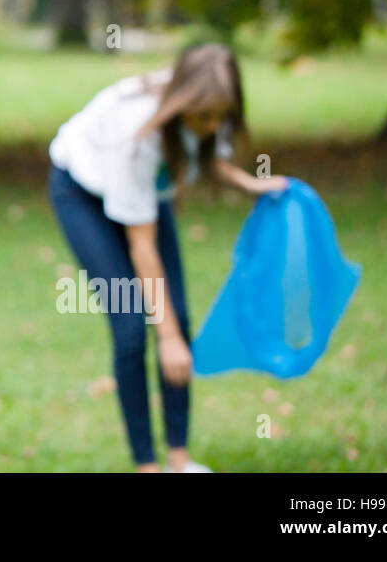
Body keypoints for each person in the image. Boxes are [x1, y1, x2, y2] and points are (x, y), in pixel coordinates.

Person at [46, 42, 288, 472]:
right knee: (133, 329)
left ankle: (179, 458)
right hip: (81, 193)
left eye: (220, 117)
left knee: (177, 314)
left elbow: (209, 159)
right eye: (203, 118)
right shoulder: (138, 136)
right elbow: (142, 246)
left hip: (144, 197)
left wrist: (251, 186)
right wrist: (169, 338)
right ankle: (147, 465)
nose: (212, 127)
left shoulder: (212, 108)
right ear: (181, 104)